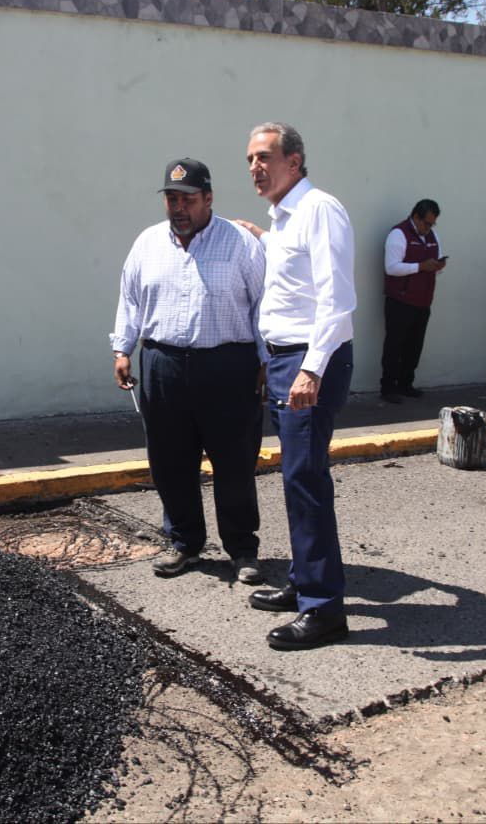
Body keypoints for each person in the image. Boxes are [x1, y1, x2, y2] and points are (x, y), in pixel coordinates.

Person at [110, 158, 267, 585]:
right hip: (163, 366)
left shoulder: (240, 243)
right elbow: (131, 298)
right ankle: (184, 542)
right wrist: (123, 347)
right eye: (172, 199)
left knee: (233, 462)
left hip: (228, 368)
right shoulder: (147, 243)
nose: (179, 208)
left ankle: (242, 549)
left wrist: (267, 361)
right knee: (169, 460)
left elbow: (263, 306)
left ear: (208, 198)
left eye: (188, 199)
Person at [234, 122, 356, 651]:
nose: (256, 168)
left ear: (295, 160)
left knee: (306, 480)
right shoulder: (283, 220)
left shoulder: (319, 209)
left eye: (265, 157)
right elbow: (292, 282)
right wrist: (263, 237)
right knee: (294, 478)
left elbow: (335, 299)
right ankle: (305, 583)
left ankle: (324, 611)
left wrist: (312, 368)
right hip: (286, 360)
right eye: (250, 160)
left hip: (311, 361)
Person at [380, 199, 447, 403]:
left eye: (432, 224)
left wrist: (437, 266)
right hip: (400, 300)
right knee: (395, 345)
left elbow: (437, 261)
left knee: (414, 346)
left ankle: (406, 384)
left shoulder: (433, 236)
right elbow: (391, 267)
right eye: (426, 223)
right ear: (415, 217)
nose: (429, 228)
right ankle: (388, 387)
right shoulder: (398, 234)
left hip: (423, 300)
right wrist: (420, 266)